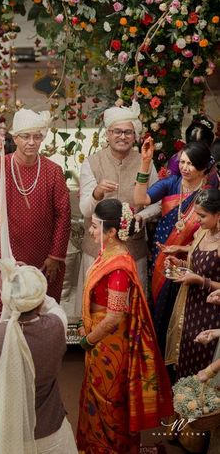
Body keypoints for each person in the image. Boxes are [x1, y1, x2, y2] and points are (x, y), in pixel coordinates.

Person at [76, 199, 173, 454]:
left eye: (96, 226)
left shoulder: (118, 267)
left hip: (109, 346)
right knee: (97, 396)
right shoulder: (107, 254)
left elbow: (114, 318)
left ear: (111, 232)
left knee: (107, 400)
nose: (91, 231)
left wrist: (88, 340)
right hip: (101, 339)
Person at [0, 108, 71, 322]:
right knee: (2, 313)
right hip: (3, 253)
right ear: (15, 137)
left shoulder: (52, 171)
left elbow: (63, 214)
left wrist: (55, 256)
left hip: (43, 256)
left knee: (39, 317)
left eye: (37, 136)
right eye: (25, 136)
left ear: (42, 139)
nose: (31, 142)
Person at [0, 260, 78, 454]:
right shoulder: (57, 326)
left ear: (6, 298)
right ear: (39, 300)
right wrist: (27, 279)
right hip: (50, 437)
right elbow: (51, 304)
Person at [133, 137, 217, 353]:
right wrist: (144, 163)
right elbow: (140, 199)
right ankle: (159, 363)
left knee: (185, 313)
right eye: (182, 162)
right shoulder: (171, 183)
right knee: (160, 309)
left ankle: (178, 365)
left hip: (194, 260)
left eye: (191, 164)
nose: (185, 168)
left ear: (203, 167)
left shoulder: (210, 189)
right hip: (164, 256)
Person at [78, 101, 160, 295]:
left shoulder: (145, 162)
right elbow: (85, 210)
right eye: (117, 131)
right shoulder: (92, 163)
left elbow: (157, 204)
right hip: (96, 249)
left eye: (128, 132)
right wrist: (97, 192)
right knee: (96, 305)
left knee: (131, 307)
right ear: (108, 134)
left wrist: (142, 217)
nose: (122, 136)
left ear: (135, 136)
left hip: (133, 248)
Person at [165, 189, 220, 379]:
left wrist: (199, 281)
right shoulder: (203, 233)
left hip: (212, 313)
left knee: (205, 360)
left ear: (218, 215)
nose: (197, 220)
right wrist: (179, 264)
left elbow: (202, 276)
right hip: (191, 308)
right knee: (187, 354)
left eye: (202, 215)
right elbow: (195, 265)